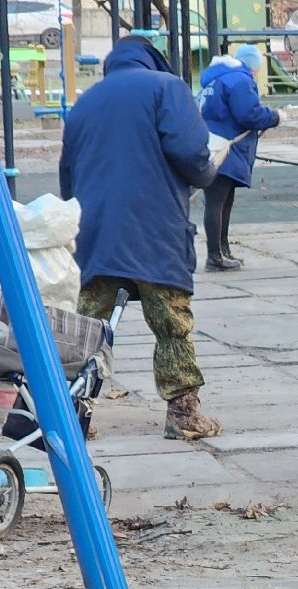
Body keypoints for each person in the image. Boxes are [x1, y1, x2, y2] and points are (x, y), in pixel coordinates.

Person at [59, 35, 223, 441]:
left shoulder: (85, 103)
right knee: (170, 322)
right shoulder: (167, 88)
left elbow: (67, 179)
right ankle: (183, 413)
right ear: (153, 61)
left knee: (88, 325)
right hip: (154, 229)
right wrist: (207, 172)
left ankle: (71, 414)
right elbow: (190, 152)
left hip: (96, 231)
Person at [196, 43, 283, 272]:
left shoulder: (214, 80)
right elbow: (248, 114)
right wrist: (274, 117)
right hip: (227, 148)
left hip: (212, 144)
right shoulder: (239, 80)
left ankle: (222, 250)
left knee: (222, 199)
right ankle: (215, 255)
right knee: (217, 201)